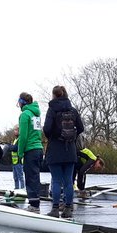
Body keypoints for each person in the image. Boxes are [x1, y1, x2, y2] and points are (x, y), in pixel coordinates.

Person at [42, 85, 85, 218]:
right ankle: (68, 208)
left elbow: (47, 129)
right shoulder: (73, 110)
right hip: (70, 150)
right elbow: (81, 128)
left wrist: (55, 136)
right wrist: (71, 137)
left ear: (54, 95)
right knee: (68, 181)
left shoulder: (52, 110)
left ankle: (55, 209)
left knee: (56, 180)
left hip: (55, 149)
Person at [16, 92, 43, 212]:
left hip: (30, 150)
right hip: (39, 149)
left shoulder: (25, 115)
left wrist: (20, 152)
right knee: (36, 177)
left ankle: (33, 206)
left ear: (22, 102)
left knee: (30, 178)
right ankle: (36, 203)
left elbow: (23, 136)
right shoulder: (36, 114)